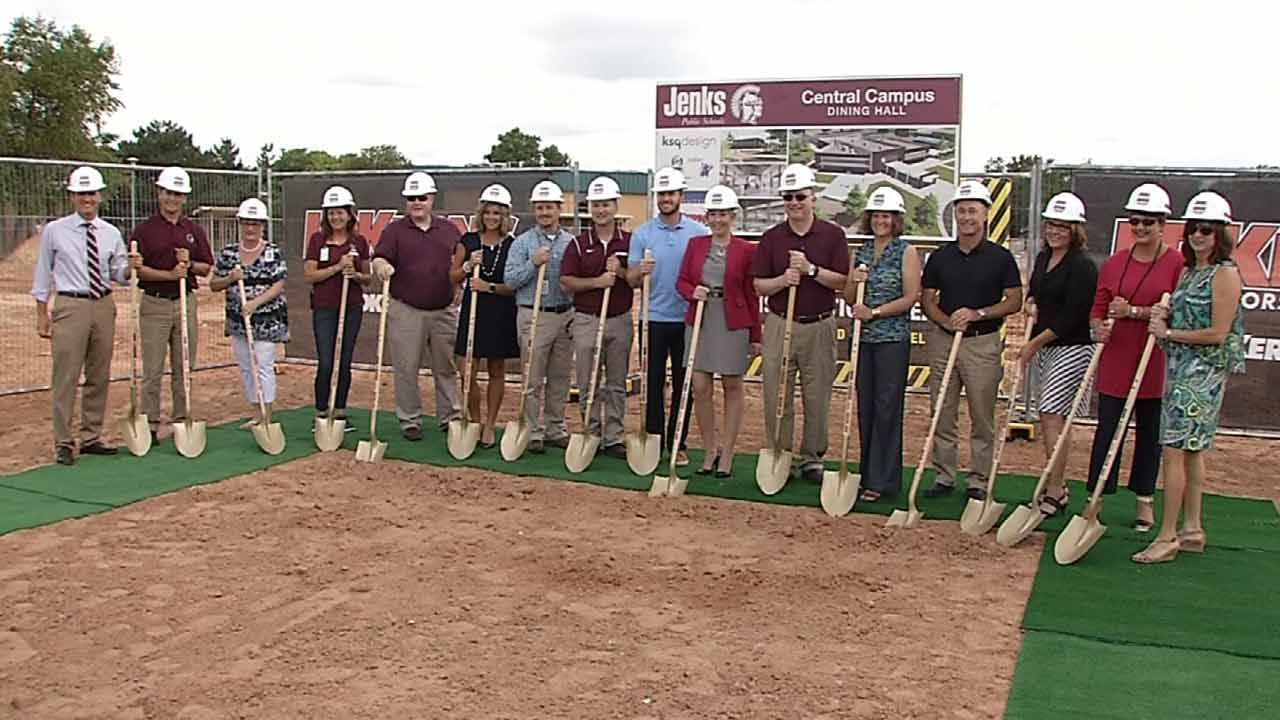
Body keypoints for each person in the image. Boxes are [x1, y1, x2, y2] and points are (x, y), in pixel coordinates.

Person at [1134, 191, 1245, 564]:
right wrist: (1163, 317)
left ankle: (1167, 536)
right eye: (1194, 229)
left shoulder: (1225, 274)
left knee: (1174, 451)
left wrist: (1168, 334)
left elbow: (1218, 332)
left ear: (1220, 234)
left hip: (1203, 374)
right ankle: (1192, 529)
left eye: (1207, 230)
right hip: (1181, 368)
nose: (1198, 236)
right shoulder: (1188, 271)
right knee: (1192, 451)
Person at [1086, 183, 1184, 531]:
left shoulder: (1176, 263)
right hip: (1117, 360)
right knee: (1107, 431)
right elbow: (1099, 307)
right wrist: (1098, 325)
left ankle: (1144, 501)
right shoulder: (1115, 263)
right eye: (1135, 221)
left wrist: (1136, 312)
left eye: (1149, 222)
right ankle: (1095, 497)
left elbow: (1177, 313)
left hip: (1154, 362)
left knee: (1149, 435)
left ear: (1162, 224)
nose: (1141, 228)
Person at [919, 180, 1023, 498]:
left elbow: (1014, 301)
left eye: (973, 211)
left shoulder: (1000, 257)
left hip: (982, 343)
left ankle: (979, 479)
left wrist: (977, 314)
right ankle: (944, 476)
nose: (966, 218)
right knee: (942, 411)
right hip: (944, 341)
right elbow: (927, 300)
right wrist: (945, 321)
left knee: (982, 415)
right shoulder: (940, 256)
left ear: (986, 214)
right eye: (962, 211)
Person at [751, 164, 850, 484]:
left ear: (813, 198)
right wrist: (783, 279)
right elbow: (759, 286)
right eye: (789, 197)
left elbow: (842, 281)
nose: (794, 202)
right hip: (781, 323)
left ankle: (812, 457)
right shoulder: (772, 238)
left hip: (819, 325)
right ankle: (781, 454)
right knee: (776, 393)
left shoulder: (833, 235)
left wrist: (810, 270)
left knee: (817, 394)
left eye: (801, 196)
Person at [31, 166, 134, 465]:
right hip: (70, 304)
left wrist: (130, 269)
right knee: (66, 375)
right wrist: (42, 313)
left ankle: (91, 436)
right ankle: (63, 441)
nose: (87, 199)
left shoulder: (111, 233)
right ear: (73, 197)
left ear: (99, 196)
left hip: (103, 304)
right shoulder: (55, 231)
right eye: (81, 194)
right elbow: (43, 273)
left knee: (99, 374)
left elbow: (118, 273)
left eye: (91, 193)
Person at [1017, 192, 1098, 518]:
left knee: (1052, 414)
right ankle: (1055, 484)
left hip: (1072, 348)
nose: (1055, 231)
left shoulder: (1082, 266)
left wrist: (1033, 345)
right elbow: (1035, 292)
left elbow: (1072, 316)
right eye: (1051, 224)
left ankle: (1055, 488)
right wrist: (1029, 303)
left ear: (1075, 229)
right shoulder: (1042, 257)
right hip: (1045, 347)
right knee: (1049, 416)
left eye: (1062, 226)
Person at [626, 167, 710, 467]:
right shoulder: (643, 233)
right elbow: (631, 279)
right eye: (661, 194)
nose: (665, 199)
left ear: (681, 197)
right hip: (653, 318)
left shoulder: (699, 234)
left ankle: (678, 441)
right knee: (653, 382)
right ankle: (654, 439)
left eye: (670, 194)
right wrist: (640, 271)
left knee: (683, 383)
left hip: (688, 319)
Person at [370, 172, 463, 441]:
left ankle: (450, 417)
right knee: (406, 367)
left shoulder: (449, 229)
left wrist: (458, 289)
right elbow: (379, 258)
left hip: (443, 309)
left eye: (422, 197)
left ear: (432, 198)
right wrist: (382, 267)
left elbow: (458, 264)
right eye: (411, 199)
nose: (417, 203)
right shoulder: (394, 230)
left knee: (446, 367)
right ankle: (410, 419)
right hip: (406, 309)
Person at [675, 185, 760, 477]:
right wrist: (692, 291)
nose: (718, 219)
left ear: (732, 216)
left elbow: (752, 294)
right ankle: (710, 451)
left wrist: (756, 335)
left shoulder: (747, 250)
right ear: (706, 217)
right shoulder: (696, 245)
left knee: (732, 386)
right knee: (700, 386)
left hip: (732, 321)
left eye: (723, 214)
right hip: (701, 318)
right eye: (713, 214)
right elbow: (682, 281)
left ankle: (728, 453)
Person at [843, 186, 921, 502]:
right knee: (866, 406)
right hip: (864, 340)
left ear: (896, 219)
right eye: (876, 215)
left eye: (886, 216)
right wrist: (853, 282)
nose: (880, 221)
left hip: (892, 339)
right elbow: (849, 298)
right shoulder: (860, 251)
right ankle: (867, 473)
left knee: (887, 407)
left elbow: (911, 297)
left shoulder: (906, 251)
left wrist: (874, 312)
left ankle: (883, 479)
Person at [131, 166, 214, 442]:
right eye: (168, 193)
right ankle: (150, 424)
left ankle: (182, 421)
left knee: (184, 367)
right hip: (154, 304)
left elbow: (205, 268)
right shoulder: (144, 230)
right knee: (152, 370)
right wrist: (169, 275)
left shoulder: (194, 230)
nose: (172, 199)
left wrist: (188, 263)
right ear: (159, 193)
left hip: (185, 302)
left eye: (178, 194)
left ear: (184, 198)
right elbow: (138, 270)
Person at [560, 176, 633, 459]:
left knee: (616, 382)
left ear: (615, 206)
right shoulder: (578, 244)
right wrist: (596, 283)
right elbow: (566, 281)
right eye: (596, 205)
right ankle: (591, 431)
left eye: (606, 204)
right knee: (588, 379)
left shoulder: (629, 241)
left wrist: (623, 272)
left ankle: (613, 436)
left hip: (620, 318)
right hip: (587, 319)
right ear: (590, 208)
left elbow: (636, 279)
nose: (601, 210)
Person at [502, 180, 576, 454]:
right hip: (534, 314)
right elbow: (510, 280)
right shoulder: (522, 243)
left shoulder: (571, 243)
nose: (545, 212)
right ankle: (533, 430)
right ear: (534, 210)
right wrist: (533, 263)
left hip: (564, 314)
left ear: (559, 209)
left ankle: (556, 428)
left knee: (559, 377)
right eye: (540, 207)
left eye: (550, 207)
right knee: (532, 378)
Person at [450, 184, 520, 448]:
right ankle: (475, 420)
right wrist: (468, 266)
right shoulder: (468, 241)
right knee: (467, 368)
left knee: (496, 369)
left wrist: (489, 287)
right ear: (481, 213)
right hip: (473, 308)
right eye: (488, 212)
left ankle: (490, 424)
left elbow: (514, 285)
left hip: (500, 309)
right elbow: (453, 275)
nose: (492, 217)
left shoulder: (513, 245)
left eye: (497, 213)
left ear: (505, 216)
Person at [209, 198, 288, 427]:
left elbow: (278, 284)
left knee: (263, 365)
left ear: (263, 225)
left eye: (255, 223)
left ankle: (267, 414)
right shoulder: (228, 253)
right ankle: (256, 411)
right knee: (246, 367)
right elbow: (214, 284)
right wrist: (230, 279)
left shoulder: (273, 252)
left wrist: (255, 303)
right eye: (246, 223)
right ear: (240, 224)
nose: (250, 228)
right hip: (237, 320)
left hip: (266, 320)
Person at [303, 185, 371, 423]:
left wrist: (355, 275)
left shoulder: (359, 242)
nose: (335, 217)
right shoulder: (317, 240)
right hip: (323, 308)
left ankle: (340, 410)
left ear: (350, 213)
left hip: (351, 308)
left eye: (340, 212)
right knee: (325, 361)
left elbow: (368, 278)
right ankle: (321, 410)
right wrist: (336, 267)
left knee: (344, 361)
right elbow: (309, 275)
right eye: (331, 213)